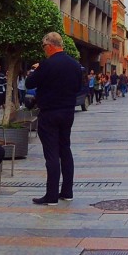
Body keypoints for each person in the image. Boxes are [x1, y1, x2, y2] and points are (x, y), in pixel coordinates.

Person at [25, 31, 83, 205]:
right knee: (65, 149)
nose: (43, 50)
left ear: (49, 46)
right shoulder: (74, 65)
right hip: (67, 112)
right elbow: (78, 87)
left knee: (51, 154)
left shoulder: (46, 65)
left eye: (44, 47)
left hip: (49, 112)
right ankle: (67, 191)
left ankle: (51, 195)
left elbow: (30, 84)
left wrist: (35, 70)